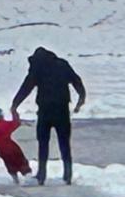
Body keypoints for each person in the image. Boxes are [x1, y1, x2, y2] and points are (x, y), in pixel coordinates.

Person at [10, 46, 86, 185]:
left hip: (45, 111)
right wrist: (81, 97)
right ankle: (67, 175)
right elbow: (76, 81)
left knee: (43, 144)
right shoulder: (62, 64)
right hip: (62, 110)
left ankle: (41, 175)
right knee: (64, 143)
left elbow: (26, 87)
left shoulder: (38, 68)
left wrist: (15, 104)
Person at [0, 107, 32, 183]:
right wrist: (14, 112)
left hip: (1, 150)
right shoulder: (6, 124)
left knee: (9, 164)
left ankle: (15, 179)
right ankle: (28, 177)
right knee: (21, 162)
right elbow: (16, 122)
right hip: (13, 148)